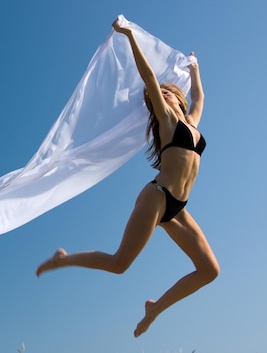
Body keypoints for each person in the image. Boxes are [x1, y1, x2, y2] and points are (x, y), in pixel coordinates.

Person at [36, 18, 220, 337]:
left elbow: (200, 96)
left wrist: (194, 68)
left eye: (166, 91)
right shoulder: (164, 122)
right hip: (158, 197)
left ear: (178, 96)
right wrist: (129, 36)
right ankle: (63, 260)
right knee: (120, 263)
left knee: (209, 271)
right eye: (156, 95)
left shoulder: (191, 120)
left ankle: (154, 309)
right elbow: (148, 76)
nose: (159, 95)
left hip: (179, 207)